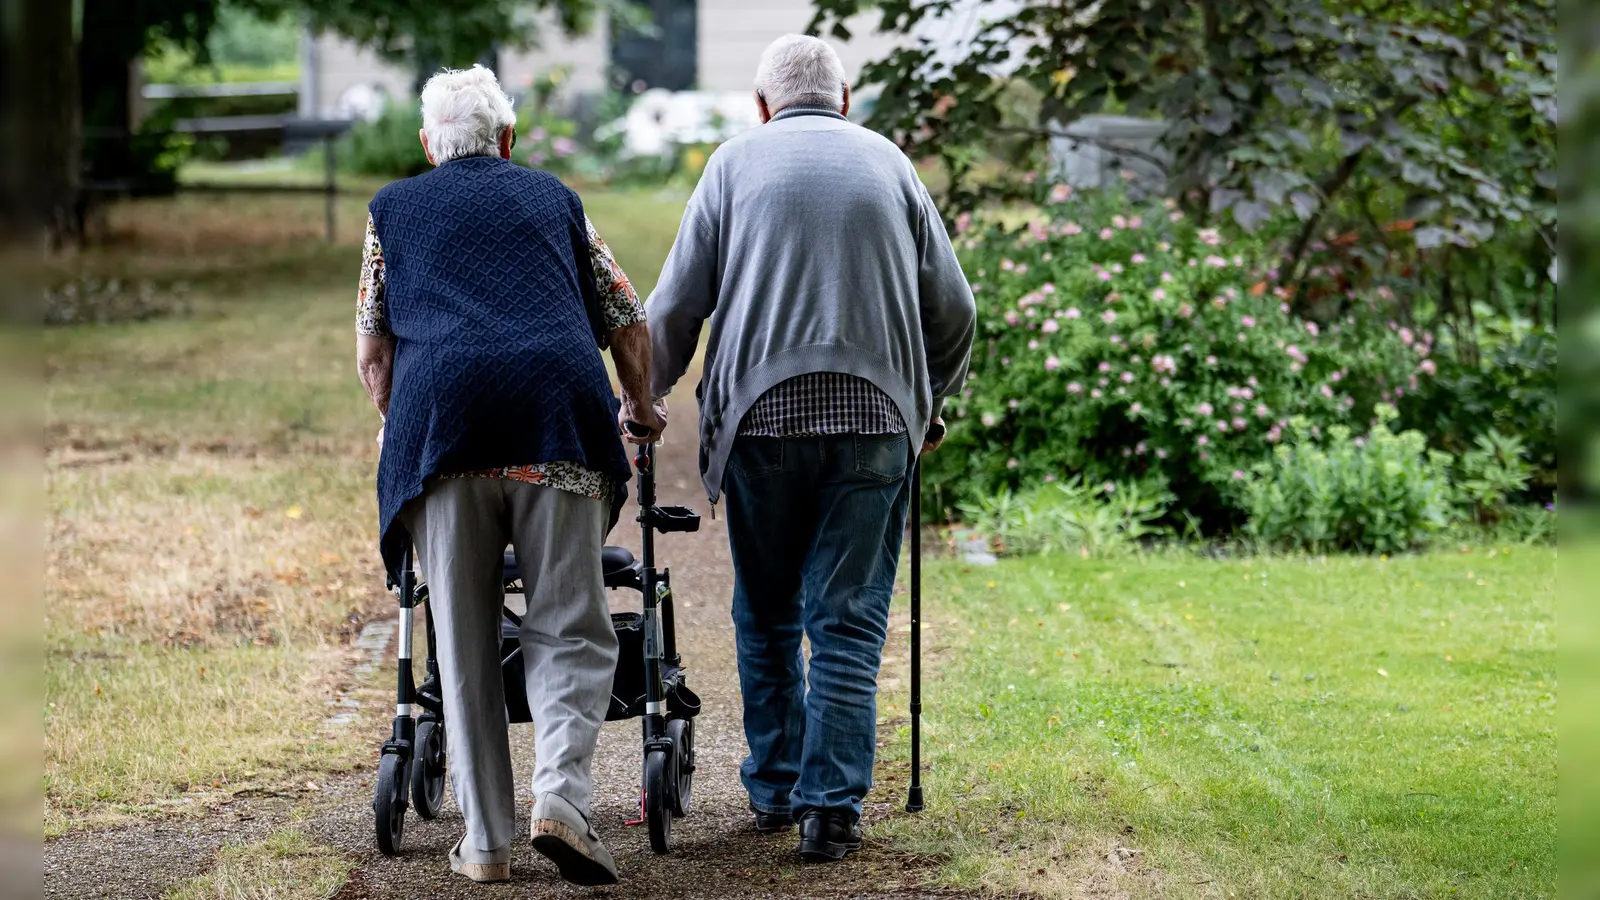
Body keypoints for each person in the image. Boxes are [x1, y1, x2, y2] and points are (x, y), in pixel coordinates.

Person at [647, 34, 976, 862]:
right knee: (848, 619)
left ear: (762, 105)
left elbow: (678, 306)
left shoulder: (732, 164)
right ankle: (830, 811)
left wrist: (640, 395)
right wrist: (928, 404)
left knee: (765, 613)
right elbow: (956, 310)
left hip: (760, 421)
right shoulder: (892, 164)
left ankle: (777, 788)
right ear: (846, 98)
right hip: (875, 417)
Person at [354, 65, 663, 886]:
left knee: (459, 643)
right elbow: (626, 312)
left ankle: (485, 844)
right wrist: (641, 406)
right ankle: (560, 798)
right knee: (568, 624)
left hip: (441, 434)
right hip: (554, 420)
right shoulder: (554, 200)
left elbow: (373, 349)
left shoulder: (392, 210)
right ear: (509, 140)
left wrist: (398, 424)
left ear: (427, 146)